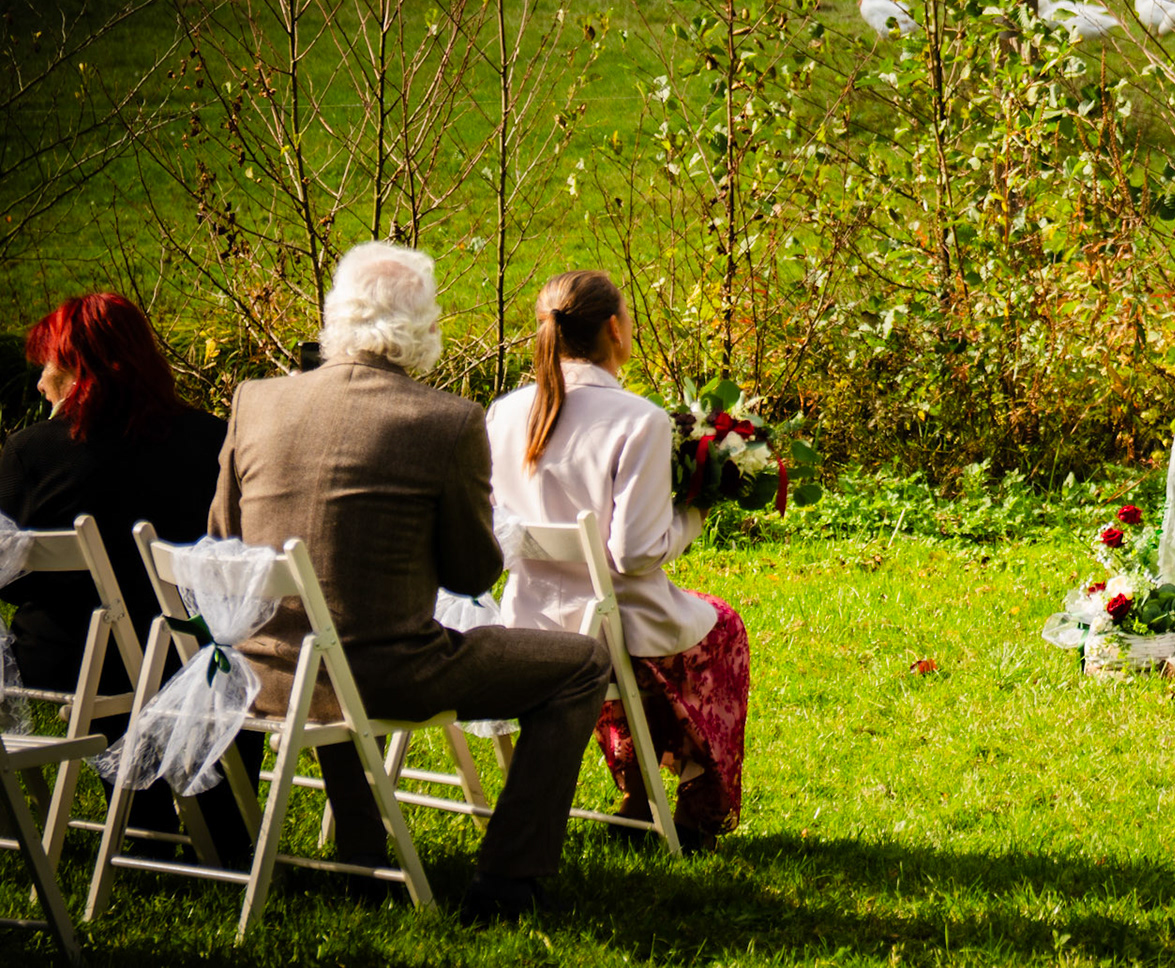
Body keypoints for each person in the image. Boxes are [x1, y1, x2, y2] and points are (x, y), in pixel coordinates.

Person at [210, 243, 611, 923]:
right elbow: (471, 573)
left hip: (263, 669)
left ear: (336, 315)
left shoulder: (257, 400)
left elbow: (222, 538)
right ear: (423, 328)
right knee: (582, 664)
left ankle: (364, 853)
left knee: (338, 632)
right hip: (383, 674)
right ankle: (509, 877)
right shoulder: (446, 420)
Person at [487, 271, 748, 856]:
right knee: (723, 628)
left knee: (653, 650)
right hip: (613, 622)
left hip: (526, 621)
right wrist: (695, 511)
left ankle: (639, 793)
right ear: (614, 328)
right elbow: (634, 554)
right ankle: (694, 807)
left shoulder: (504, 413)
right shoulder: (637, 420)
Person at [0, 292, 256, 863]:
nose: (40, 383)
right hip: (190, 651)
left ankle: (144, 825)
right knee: (217, 659)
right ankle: (225, 834)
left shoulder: (31, 453)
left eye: (49, 366)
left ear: (78, 369)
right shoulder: (212, 439)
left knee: (108, 655)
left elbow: (8, 578)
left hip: (70, 658)